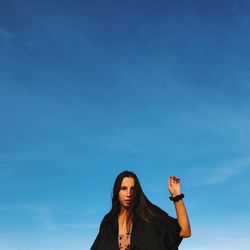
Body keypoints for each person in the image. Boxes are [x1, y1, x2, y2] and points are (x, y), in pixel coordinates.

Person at [91, 170, 191, 250]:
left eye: (132, 189)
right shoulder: (108, 222)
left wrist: (176, 196)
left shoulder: (149, 215)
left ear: (137, 192)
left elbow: (185, 231)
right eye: (124, 188)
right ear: (117, 191)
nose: (129, 194)